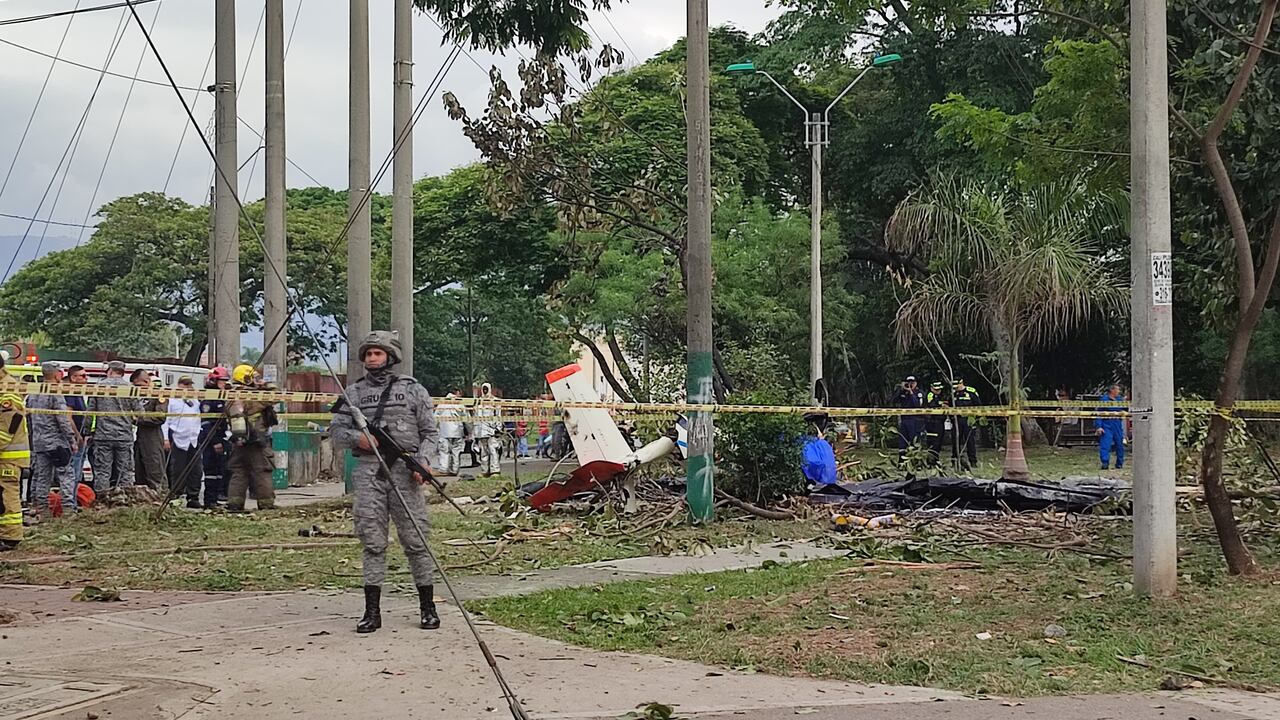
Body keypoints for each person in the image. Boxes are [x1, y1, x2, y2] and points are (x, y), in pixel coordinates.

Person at [329, 331, 440, 633]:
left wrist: (425, 462)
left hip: (406, 472)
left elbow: (430, 433)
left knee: (417, 540)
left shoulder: (413, 390)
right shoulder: (352, 393)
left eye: (377, 353)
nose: (372, 359)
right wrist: (360, 439)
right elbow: (336, 432)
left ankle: (427, 607)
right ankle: (372, 612)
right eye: (368, 354)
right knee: (372, 540)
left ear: (390, 356)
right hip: (369, 473)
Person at [27, 362, 80, 518]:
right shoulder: (55, 392)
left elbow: (29, 418)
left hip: (39, 442)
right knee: (66, 475)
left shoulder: (34, 392)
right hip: (57, 443)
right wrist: (72, 440)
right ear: (57, 374)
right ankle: (68, 511)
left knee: (42, 477)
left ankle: (42, 510)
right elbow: (62, 419)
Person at [224, 365, 277, 512]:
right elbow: (277, 396)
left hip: (238, 441)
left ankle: (235, 504)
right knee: (262, 471)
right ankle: (266, 504)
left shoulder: (230, 396)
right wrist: (265, 384)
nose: (256, 380)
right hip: (257, 442)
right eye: (253, 377)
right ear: (246, 378)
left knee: (239, 471)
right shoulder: (254, 396)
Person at [89, 361, 137, 492]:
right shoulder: (129, 388)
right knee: (125, 471)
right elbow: (139, 412)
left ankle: (102, 499)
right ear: (122, 372)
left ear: (110, 371)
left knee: (102, 471)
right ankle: (125, 500)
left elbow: (90, 412)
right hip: (124, 436)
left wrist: (87, 431)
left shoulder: (99, 387)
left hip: (103, 435)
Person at [0, 355, 29, 549]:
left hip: (8, 455)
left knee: (7, 494)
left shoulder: (7, 388)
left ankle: (10, 537)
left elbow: (9, 424)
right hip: (6, 454)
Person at [163, 376, 204, 508]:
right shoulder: (172, 401)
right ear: (179, 385)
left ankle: (193, 497)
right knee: (178, 469)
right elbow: (166, 421)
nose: (187, 387)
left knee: (196, 470)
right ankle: (176, 495)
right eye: (185, 385)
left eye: (189, 385)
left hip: (193, 439)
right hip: (178, 438)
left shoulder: (195, 400)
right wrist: (165, 439)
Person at [199, 367, 231, 507]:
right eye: (222, 381)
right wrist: (215, 442)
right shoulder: (209, 399)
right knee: (211, 471)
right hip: (210, 440)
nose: (224, 384)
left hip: (222, 438)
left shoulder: (221, 397)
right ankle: (209, 500)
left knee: (220, 471)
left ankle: (216, 498)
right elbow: (206, 423)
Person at [62, 366, 92, 512]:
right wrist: (77, 436)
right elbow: (69, 417)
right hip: (76, 440)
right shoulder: (71, 393)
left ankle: (72, 503)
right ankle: (70, 505)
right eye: (83, 376)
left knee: (78, 474)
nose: (86, 379)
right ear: (73, 378)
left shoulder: (78, 393)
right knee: (73, 473)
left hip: (83, 437)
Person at [131, 369, 167, 490]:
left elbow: (160, 417)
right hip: (139, 437)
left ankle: (161, 495)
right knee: (139, 472)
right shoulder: (138, 396)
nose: (137, 389)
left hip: (152, 438)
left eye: (139, 386)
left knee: (155, 470)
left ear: (146, 381)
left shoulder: (158, 394)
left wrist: (138, 419)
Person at [891, 375, 924, 463]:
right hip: (904, 419)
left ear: (916, 383)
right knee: (902, 441)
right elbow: (894, 401)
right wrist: (900, 390)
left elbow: (917, 405)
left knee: (914, 441)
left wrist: (911, 392)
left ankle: (915, 461)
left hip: (914, 420)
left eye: (912, 383)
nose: (910, 385)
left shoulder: (918, 393)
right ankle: (902, 460)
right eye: (908, 383)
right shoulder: (903, 392)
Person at [472, 382, 500, 477]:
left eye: (486, 389)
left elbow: (498, 415)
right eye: (483, 389)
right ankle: (485, 471)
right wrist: (475, 433)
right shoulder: (478, 402)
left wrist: (498, 428)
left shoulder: (495, 401)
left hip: (491, 430)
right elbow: (475, 417)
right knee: (483, 452)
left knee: (493, 451)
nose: (484, 391)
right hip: (481, 431)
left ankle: (495, 471)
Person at [951, 379, 980, 469]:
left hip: (969, 419)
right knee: (956, 440)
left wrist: (975, 417)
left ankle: (973, 461)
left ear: (961, 383)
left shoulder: (971, 391)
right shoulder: (953, 393)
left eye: (957, 386)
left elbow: (978, 405)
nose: (956, 388)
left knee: (970, 441)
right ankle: (955, 460)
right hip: (957, 420)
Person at [1097, 384, 1126, 470]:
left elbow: (1123, 411)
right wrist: (1099, 426)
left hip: (1117, 425)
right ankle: (1105, 463)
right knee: (1105, 445)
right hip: (1107, 425)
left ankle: (1119, 463)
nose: (1118, 391)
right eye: (1117, 390)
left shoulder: (1119, 400)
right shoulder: (1104, 400)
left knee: (1120, 445)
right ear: (1112, 390)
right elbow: (1098, 413)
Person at [436, 392, 466, 476]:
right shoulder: (460, 404)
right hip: (457, 432)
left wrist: (435, 429)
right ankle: (454, 469)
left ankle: (444, 469)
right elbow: (467, 419)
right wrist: (471, 432)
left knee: (444, 451)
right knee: (456, 451)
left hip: (444, 432)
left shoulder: (441, 404)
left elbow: (435, 418)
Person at [923, 381, 948, 466]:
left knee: (939, 442)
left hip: (940, 422)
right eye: (936, 389)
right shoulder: (930, 395)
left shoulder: (941, 396)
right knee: (933, 442)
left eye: (939, 389)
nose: (938, 391)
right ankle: (931, 462)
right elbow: (931, 405)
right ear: (931, 388)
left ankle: (936, 459)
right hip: (932, 423)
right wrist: (941, 406)